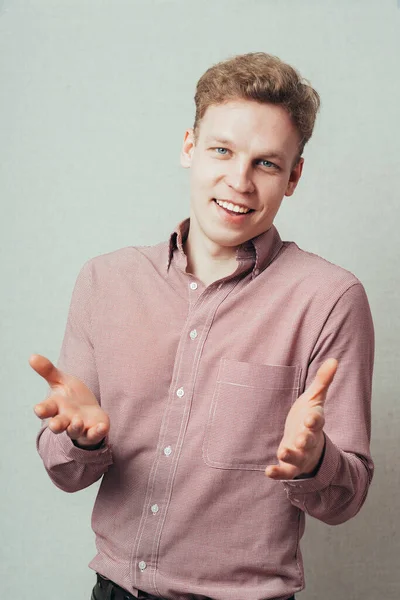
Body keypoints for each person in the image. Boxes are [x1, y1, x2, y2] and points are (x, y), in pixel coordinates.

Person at [31, 52, 374, 600]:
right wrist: (78, 438)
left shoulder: (330, 299)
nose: (239, 181)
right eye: (222, 150)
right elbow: (66, 473)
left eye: (266, 163)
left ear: (294, 177)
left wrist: (315, 463)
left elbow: (346, 498)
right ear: (189, 146)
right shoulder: (105, 281)